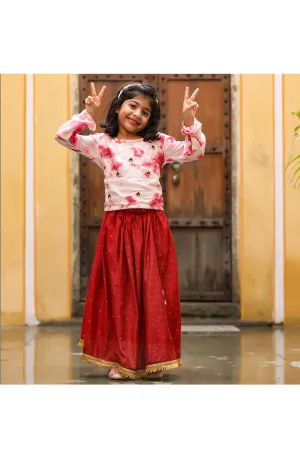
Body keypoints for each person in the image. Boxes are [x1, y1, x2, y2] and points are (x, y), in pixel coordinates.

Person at [55, 82, 206, 380]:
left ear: (151, 119)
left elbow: (196, 151)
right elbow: (63, 136)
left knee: (153, 291)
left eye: (146, 111)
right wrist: (87, 114)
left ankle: (153, 359)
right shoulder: (102, 143)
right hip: (118, 226)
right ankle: (122, 360)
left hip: (152, 226)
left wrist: (189, 120)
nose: (137, 114)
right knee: (120, 292)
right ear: (118, 107)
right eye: (132, 106)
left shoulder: (159, 143)